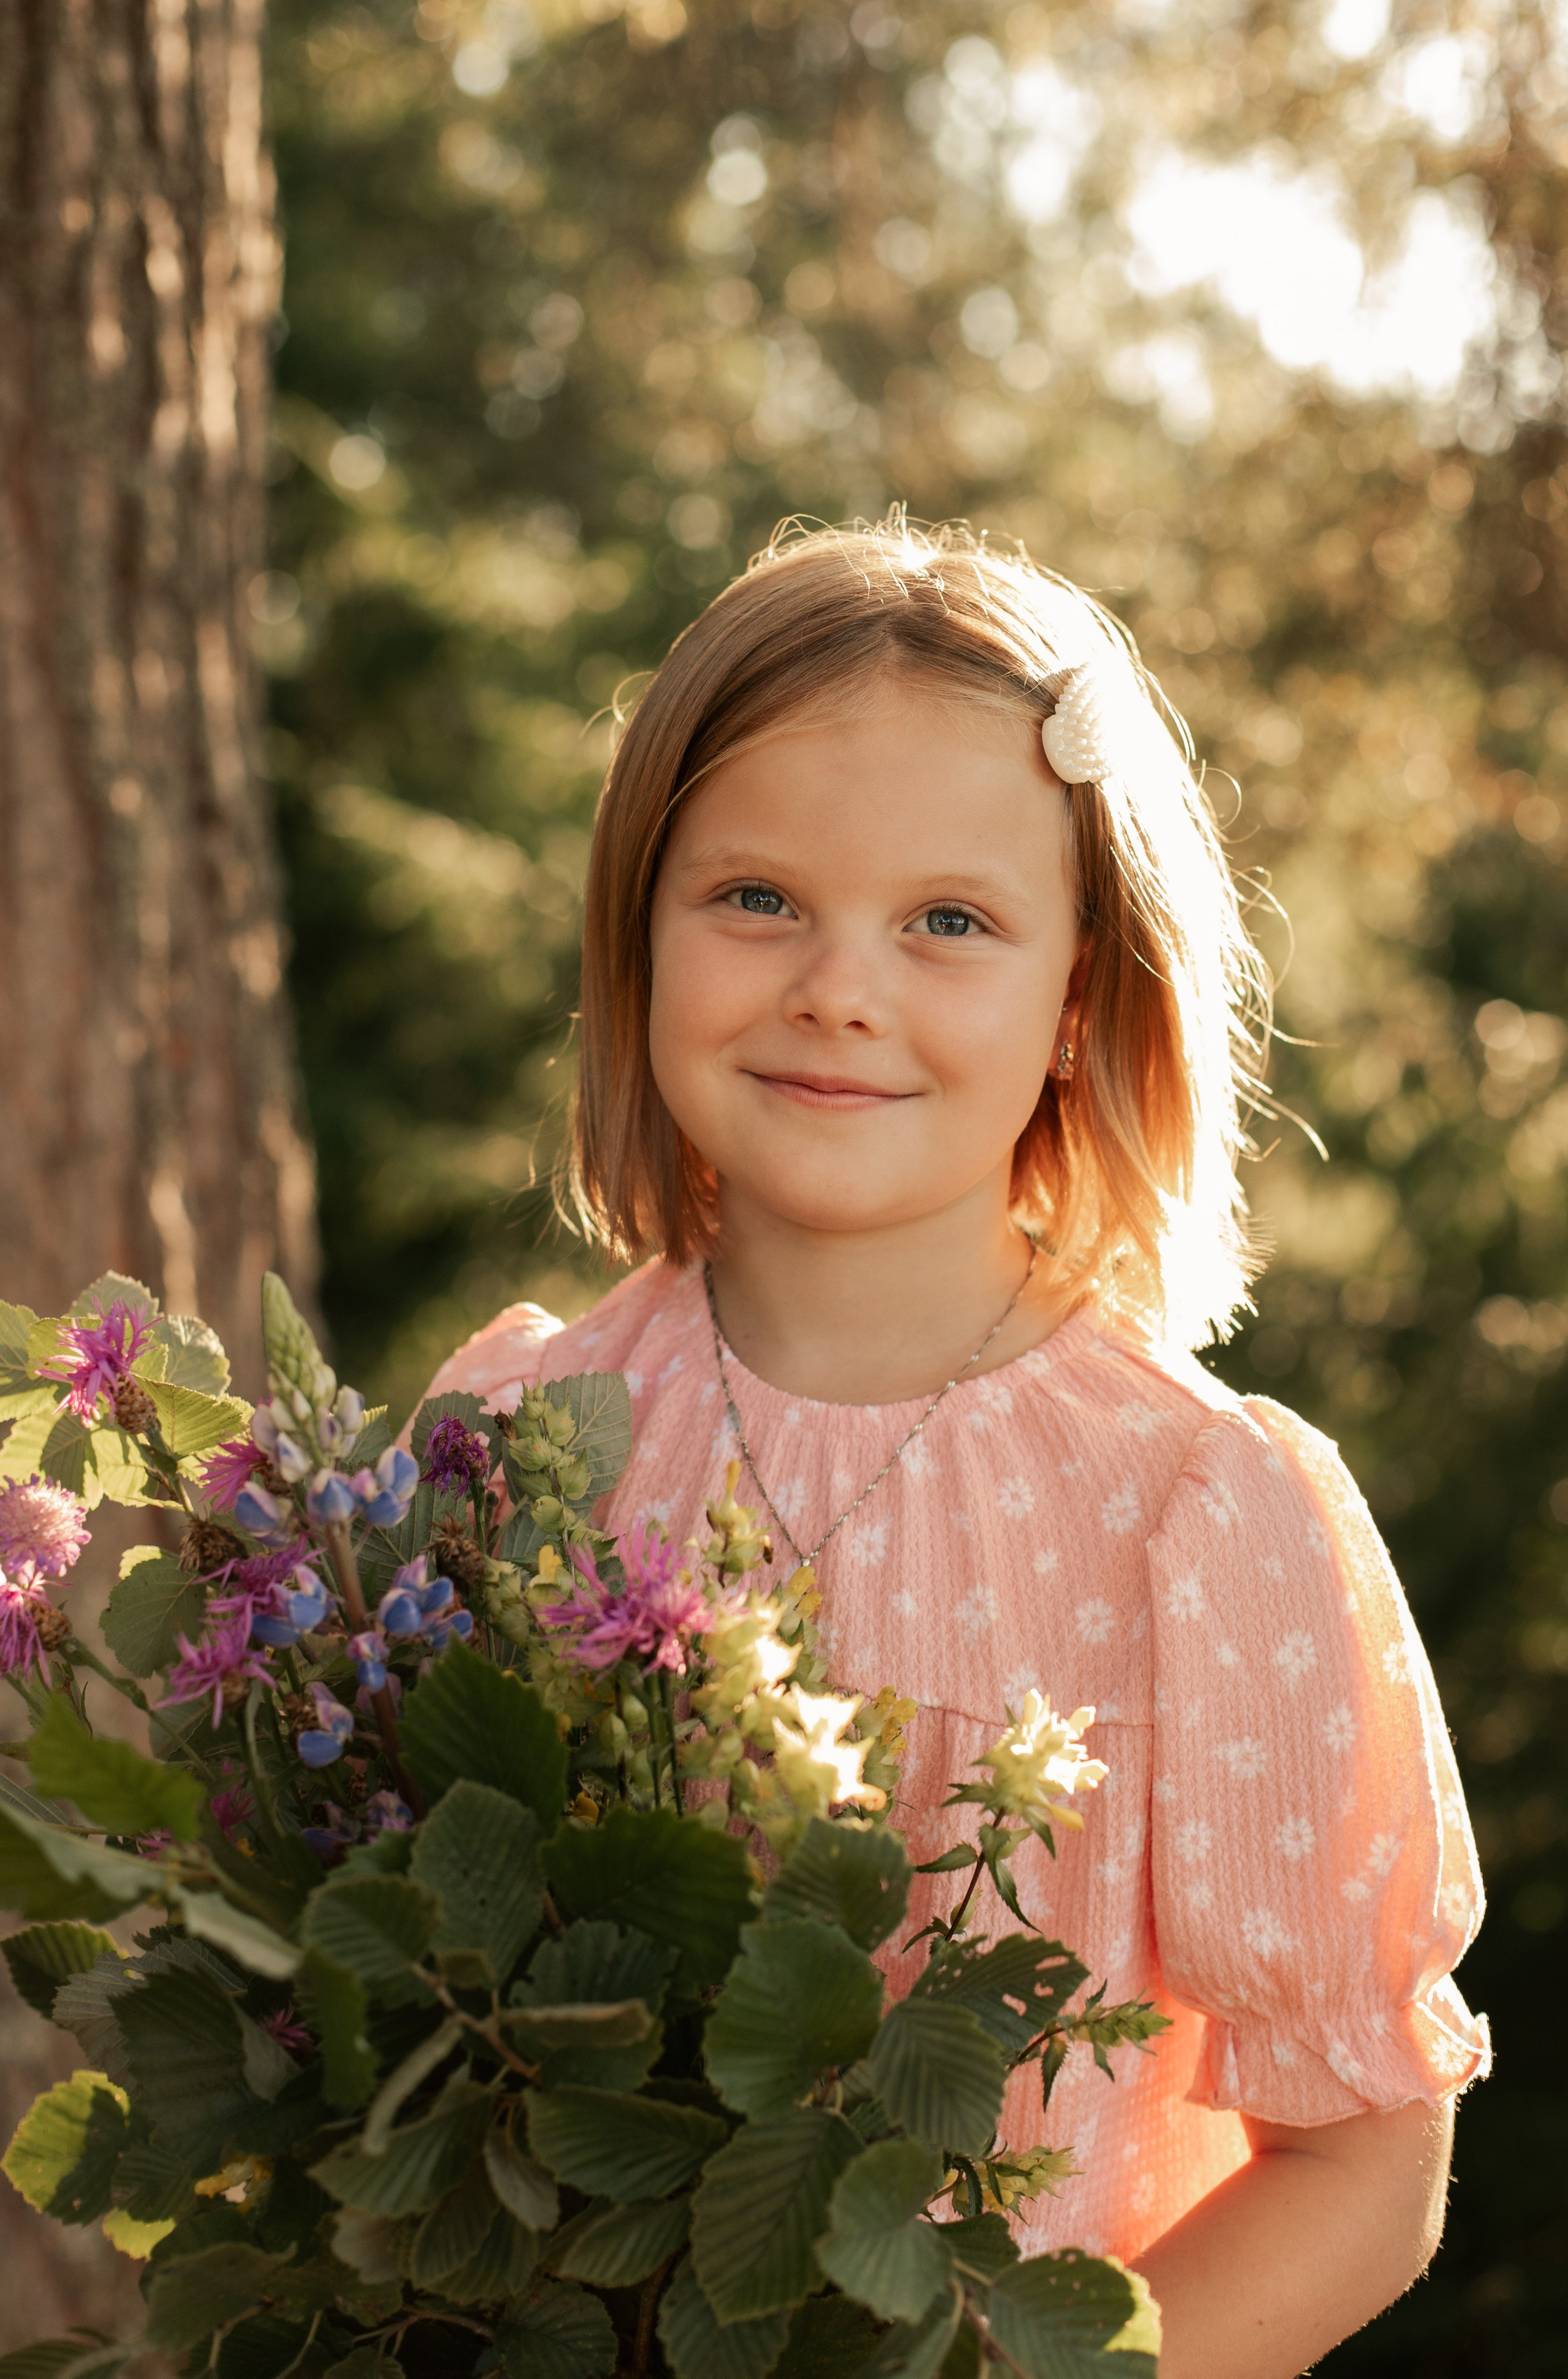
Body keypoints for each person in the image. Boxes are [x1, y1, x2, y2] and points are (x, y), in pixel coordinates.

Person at [423, 518, 1488, 2379]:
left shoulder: (1199, 1515)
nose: (841, 985)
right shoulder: (511, 1451)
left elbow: (1364, 2151)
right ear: (638, 924)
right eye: (756, 897)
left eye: (950, 921)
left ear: (1080, 998)